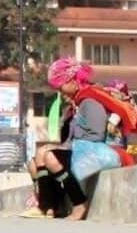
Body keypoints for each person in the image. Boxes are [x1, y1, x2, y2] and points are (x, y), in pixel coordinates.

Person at [22, 58, 131, 220]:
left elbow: (96, 135)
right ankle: (47, 206)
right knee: (41, 155)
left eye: (61, 87)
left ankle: (79, 204)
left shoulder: (90, 100)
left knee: (51, 157)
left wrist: (68, 147)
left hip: (106, 152)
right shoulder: (78, 103)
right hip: (88, 148)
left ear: (73, 81)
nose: (61, 92)